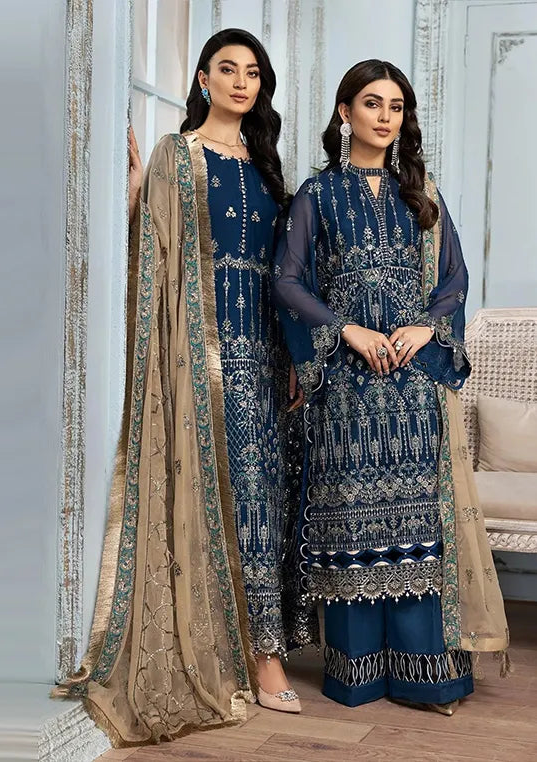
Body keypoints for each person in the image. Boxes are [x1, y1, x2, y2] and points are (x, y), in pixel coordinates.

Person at [54, 28, 300, 746]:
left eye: (253, 72)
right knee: (222, 493)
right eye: (228, 69)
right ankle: (258, 661)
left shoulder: (265, 166)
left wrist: (292, 358)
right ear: (202, 79)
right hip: (203, 356)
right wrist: (136, 199)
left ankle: (260, 646)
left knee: (261, 500)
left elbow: (284, 274)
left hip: (264, 351)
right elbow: (158, 255)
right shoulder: (177, 154)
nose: (241, 82)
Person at [273, 59, 510, 714]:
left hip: (412, 384)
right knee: (352, 523)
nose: (385, 117)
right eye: (372, 103)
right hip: (346, 387)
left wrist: (426, 327)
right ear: (344, 113)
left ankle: (424, 676)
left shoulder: (420, 194)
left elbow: (454, 278)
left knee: (416, 522)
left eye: (396, 107)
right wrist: (346, 330)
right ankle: (358, 675)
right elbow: (287, 280)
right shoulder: (316, 196)